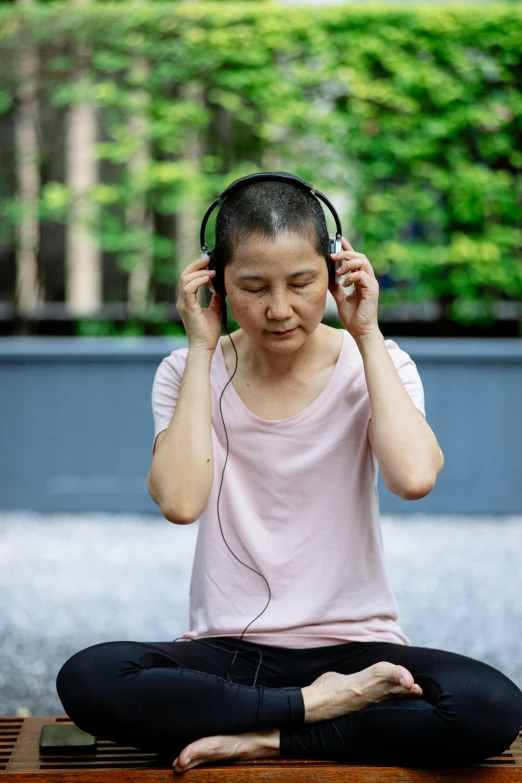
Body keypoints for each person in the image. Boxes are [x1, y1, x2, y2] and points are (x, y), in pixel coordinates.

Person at [56, 179, 522, 773]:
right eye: (253, 287)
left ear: (334, 272)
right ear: (215, 281)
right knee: (90, 678)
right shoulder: (185, 371)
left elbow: (413, 477)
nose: (279, 309)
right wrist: (200, 349)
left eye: (302, 283)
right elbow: (179, 500)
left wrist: (368, 334)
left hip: (358, 650)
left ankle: (265, 734)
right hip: (227, 651)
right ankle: (313, 709)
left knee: (488, 705)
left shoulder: (378, 362)